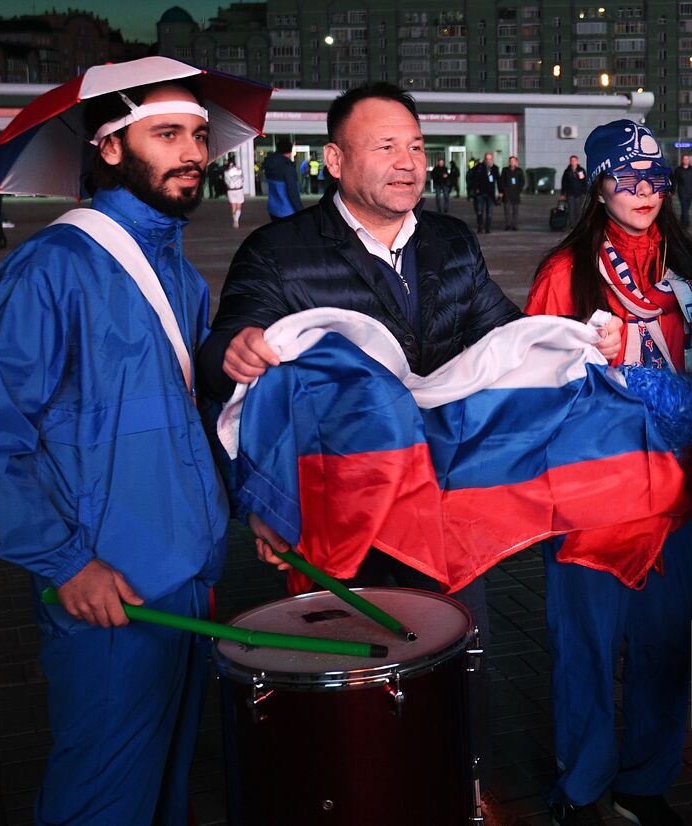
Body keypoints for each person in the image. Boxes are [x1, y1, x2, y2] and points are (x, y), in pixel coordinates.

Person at [194, 82, 522, 823]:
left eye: (416, 145)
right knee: (345, 684)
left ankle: (459, 794)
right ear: (335, 160)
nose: (409, 163)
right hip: (338, 522)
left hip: (443, 509)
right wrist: (232, 351)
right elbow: (223, 349)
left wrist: (567, 344)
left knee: (458, 662)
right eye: (386, 146)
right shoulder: (279, 252)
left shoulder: (450, 241)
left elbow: (502, 336)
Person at [0, 76, 231, 826]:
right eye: (166, 135)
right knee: (102, 796)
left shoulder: (181, 274)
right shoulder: (51, 268)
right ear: (109, 147)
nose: (193, 153)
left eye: (197, 135)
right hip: (112, 590)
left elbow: (193, 423)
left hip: (190, 577)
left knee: (165, 782)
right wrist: (66, 561)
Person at [525, 118, 692, 826]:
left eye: (656, 177)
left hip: (669, 495)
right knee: (585, 649)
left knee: (666, 647)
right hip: (589, 500)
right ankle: (582, 787)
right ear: (597, 183)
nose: (644, 191)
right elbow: (537, 388)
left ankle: (644, 782)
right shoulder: (564, 273)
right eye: (628, 177)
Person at [263, 138, 302, 220]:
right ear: (289, 151)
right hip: (287, 211)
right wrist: (300, 211)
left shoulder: (269, 163)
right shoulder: (287, 167)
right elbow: (292, 192)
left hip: (273, 208)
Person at [468, 151, 500, 234]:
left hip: (490, 194)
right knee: (479, 211)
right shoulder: (478, 167)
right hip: (480, 194)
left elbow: (498, 180)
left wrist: (501, 191)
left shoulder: (495, 168)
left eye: (490, 159)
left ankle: (487, 228)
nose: (488, 161)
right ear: (484, 159)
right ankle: (480, 226)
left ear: (492, 159)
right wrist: (475, 189)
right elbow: (473, 179)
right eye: (487, 159)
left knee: (489, 212)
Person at [560, 153, 588, 228]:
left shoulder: (581, 170)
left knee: (579, 210)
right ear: (570, 161)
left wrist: (585, 192)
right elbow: (564, 183)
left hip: (580, 193)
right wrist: (562, 194)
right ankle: (572, 225)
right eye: (572, 160)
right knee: (571, 209)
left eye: (574, 160)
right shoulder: (567, 171)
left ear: (577, 161)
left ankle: (578, 225)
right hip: (570, 193)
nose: (573, 162)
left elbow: (584, 182)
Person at [672, 153, 692, 227]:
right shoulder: (678, 170)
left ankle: (683, 220)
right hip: (682, 192)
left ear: (689, 160)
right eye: (684, 159)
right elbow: (674, 181)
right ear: (682, 160)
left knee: (686, 208)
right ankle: (685, 223)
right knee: (684, 207)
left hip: (690, 192)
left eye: (687, 159)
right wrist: (673, 191)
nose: (686, 160)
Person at [498, 154, 525, 230]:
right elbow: (501, 181)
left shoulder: (519, 171)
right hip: (507, 194)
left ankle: (514, 225)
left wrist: (519, 190)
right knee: (507, 210)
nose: (512, 162)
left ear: (516, 162)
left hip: (516, 194)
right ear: (509, 162)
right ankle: (508, 224)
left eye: (513, 161)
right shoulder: (505, 170)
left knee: (515, 210)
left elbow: (522, 181)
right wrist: (503, 190)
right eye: (511, 161)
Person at [222, 156, 245, 228]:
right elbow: (243, 179)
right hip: (239, 189)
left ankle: (235, 221)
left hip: (231, 190)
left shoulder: (226, 172)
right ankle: (236, 220)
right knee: (239, 206)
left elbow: (226, 181)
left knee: (233, 207)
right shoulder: (239, 170)